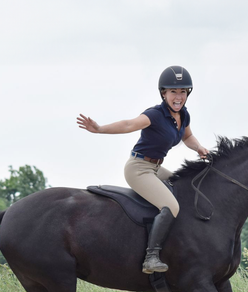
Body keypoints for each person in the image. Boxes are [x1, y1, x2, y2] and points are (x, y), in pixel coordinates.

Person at [77, 66, 209, 274]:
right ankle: (151, 257)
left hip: (155, 168)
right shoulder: (154, 115)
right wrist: (100, 129)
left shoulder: (183, 115)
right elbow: (129, 124)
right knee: (171, 205)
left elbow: (187, 137)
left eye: (183, 91)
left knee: (185, 186)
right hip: (138, 169)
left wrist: (199, 147)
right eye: (173, 91)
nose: (178, 96)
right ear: (163, 93)